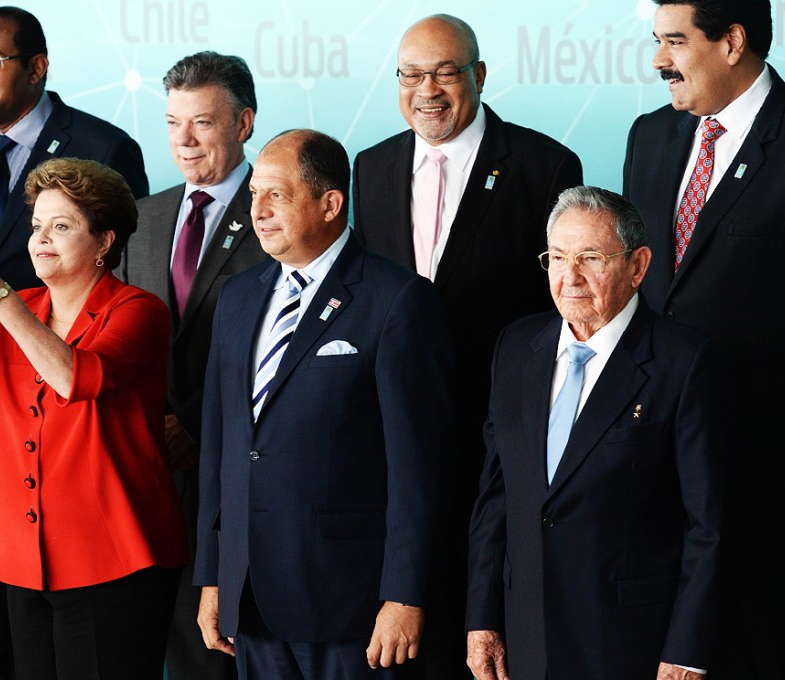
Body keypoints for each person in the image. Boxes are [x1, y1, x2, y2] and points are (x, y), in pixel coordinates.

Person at [0, 157, 188, 680]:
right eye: (36, 225)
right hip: (22, 556)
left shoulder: (138, 309)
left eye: (62, 226)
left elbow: (76, 379)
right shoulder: (16, 307)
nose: (41, 238)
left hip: (111, 560)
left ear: (104, 241)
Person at [351, 16, 582, 676]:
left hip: (500, 434)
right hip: (396, 441)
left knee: (490, 629)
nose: (428, 89)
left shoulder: (544, 166)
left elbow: (558, 307)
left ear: (478, 76)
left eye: (446, 72)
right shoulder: (373, 166)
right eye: (412, 74)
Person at [0, 8, 150, 676]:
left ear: (37, 66)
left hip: (78, 434)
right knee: (5, 611)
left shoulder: (103, 144)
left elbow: (126, 289)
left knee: (86, 634)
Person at [195, 129, 455, 679]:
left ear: (331, 203)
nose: (257, 211)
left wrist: (405, 595)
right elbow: (220, 450)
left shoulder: (398, 299)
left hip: (353, 606)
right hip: (252, 599)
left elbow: (420, 468)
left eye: (276, 195)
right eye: (254, 196)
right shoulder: (238, 298)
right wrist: (213, 576)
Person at [465, 187, 724, 680]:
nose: (570, 277)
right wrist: (482, 619)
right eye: (557, 257)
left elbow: (707, 524)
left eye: (590, 257)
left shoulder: (685, 362)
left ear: (638, 265)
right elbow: (495, 498)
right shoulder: (517, 346)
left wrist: (686, 651)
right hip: (527, 637)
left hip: (632, 644)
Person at [623, 1, 781, 675]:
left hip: (764, 472)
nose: (659, 60)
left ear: (733, 41)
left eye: (675, 41)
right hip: (654, 472)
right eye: (659, 41)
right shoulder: (650, 135)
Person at [121, 50, 267, 680]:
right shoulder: (143, 218)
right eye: (174, 122)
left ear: (243, 124)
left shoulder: (278, 216)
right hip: (145, 478)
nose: (183, 140)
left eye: (202, 123)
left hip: (237, 474)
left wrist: (195, 424)